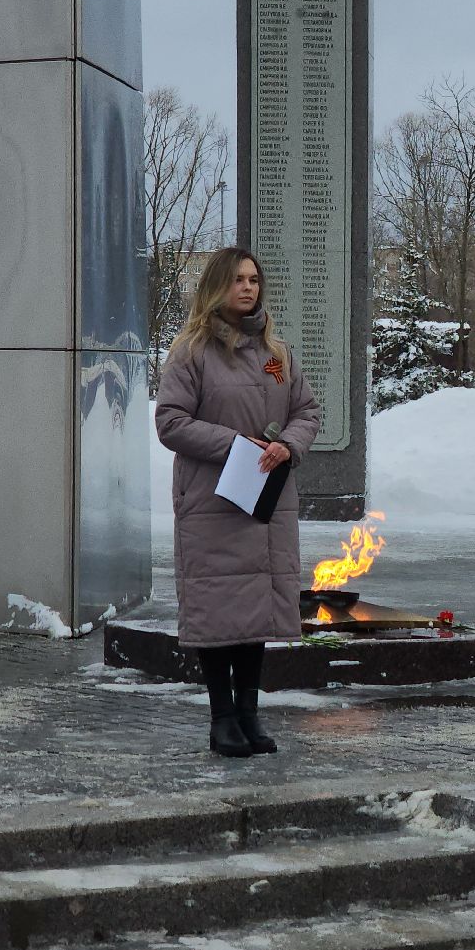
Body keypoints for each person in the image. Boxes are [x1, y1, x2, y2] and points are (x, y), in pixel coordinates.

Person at [156, 247, 322, 757]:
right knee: (219, 612)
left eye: (254, 280)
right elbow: (170, 422)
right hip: (214, 501)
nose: (248, 288)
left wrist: (287, 444)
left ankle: (249, 714)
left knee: (254, 614)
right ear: (216, 287)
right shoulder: (191, 352)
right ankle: (221, 717)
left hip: (264, 502)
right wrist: (236, 445)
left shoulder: (276, 353)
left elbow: (307, 409)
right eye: (237, 280)